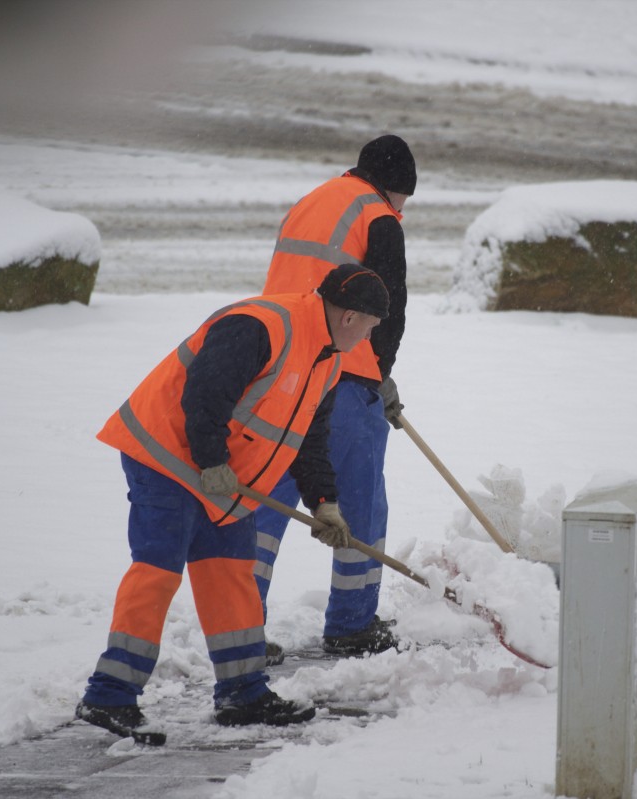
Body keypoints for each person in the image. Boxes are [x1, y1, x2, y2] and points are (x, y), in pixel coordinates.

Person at [75, 264, 390, 736]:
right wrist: (211, 460)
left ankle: (243, 693)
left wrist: (323, 502)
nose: (368, 337)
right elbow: (206, 393)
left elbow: (310, 439)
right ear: (350, 316)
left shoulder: (326, 359)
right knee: (158, 570)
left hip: (223, 477)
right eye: (370, 326)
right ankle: (108, 696)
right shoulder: (262, 325)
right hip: (166, 459)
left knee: (231, 575)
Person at [253, 134, 415, 658]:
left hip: (278, 366)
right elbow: (387, 307)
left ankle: (239, 625)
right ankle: (351, 625)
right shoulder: (378, 217)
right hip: (344, 375)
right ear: (397, 188)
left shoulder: (311, 201)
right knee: (360, 497)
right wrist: (379, 377)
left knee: (267, 496)